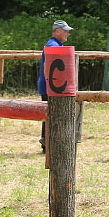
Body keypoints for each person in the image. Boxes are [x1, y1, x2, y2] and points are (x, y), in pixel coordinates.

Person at [38, 20, 73, 152]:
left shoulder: (56, 44)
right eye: (65, 31)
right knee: (51, 115)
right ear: (57, 31)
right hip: (51, 86)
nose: (68, 34)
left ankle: (48, 143)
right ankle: (47, 143)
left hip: (51, 85)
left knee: (51, 115)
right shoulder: (53, 46)